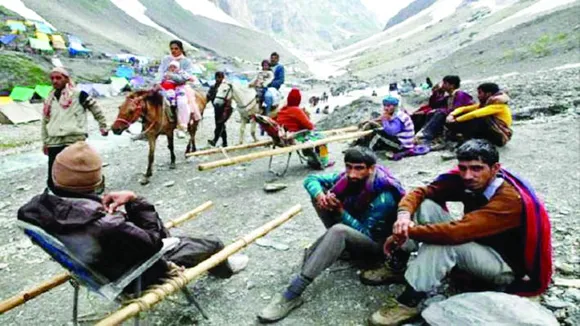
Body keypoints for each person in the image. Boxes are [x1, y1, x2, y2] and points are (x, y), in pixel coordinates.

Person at [362, 139, 552, 326]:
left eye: (477, 168)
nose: (468, 175)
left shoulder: (509, 200)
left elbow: (456, 233)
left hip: (502, 265)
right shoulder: (467, 181)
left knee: (443, 245)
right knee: (425, 205)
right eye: (463, 168)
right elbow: (422, 192)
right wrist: (403, 217)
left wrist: (405, 233)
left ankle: (408, 302)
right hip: (475, 241)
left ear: (495, 169)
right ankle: (397, 266)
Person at [18, 142, 248, 293]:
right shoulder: (107, 224)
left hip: (93, 270)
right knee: (212, 243)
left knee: (175, 237)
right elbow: (155, 243)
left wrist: (97, 206)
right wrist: (135, 201)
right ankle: (224, 267)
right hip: (133, 278)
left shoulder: (31, 210)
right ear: (97, 181)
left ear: (55, 175)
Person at [257, 147, 405, 323]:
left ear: (371, 168)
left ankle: (292, 294)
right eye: (349, 167)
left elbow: (367, 233)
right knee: (322, 197)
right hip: (354, 227)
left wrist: (341, 212)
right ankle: (334, 247)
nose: (352, 173)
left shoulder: (384, 197)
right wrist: (321, 196)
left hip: (376, 246)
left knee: (339, 231)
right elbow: (311, 179)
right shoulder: (346, 180)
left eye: (359, 168)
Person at [41, 67, 108, 195]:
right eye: (52, 78)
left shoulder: (79, 95)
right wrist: (45, 142)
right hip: (54, 140)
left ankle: (90, 190)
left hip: (74, 140)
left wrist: (103, 125)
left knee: (78, 171)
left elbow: (95, 108)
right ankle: (58, 199)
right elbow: (45, 121)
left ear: (66, 79)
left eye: (58, 78)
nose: (55, 81)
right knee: (54, 173)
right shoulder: (49, 99)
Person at [274, 89, 332, 168]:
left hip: (285, 136)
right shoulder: (296, 110)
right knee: (321, 138)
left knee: (312, 135)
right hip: (297, 136)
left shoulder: (283, 110)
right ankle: (324, 162)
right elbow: (310, 126)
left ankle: (311, 157)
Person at [156, 40, 201, 138]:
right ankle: (146, 127)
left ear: (181, 49)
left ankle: (182, 127)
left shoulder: (186, 62)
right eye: (172, 49)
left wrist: (172, 76)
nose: (173, 51)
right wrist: (158, 82)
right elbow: (160, 71)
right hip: (164, 85)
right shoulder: (166, 59)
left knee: (182, 103)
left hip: (180, 86)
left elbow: (185, 77)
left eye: (176, 48)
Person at [446, 83, 513, 146]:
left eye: (480, 93)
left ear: (488, 94)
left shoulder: (499, 106)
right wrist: (452, 115)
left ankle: (465, 142)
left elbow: (475, 114)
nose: (478, 96)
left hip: (501, 137)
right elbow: (464, 109)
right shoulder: (486, 105)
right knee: (464, 115)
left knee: (480, 119)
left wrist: (456, 121)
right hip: (493, 132)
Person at [415, 75, 474, 144]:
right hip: (452, 118)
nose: (442, 85)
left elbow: (457, 109)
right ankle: (424, 133)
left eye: (445, 83)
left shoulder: (460, 95)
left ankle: (426, 135)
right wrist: (436, 93)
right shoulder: (449, 97)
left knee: (440, 113)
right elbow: (434, 105)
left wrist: (441, 111)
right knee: (430, 112)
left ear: (452, 85)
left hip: (463, 120)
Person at [207, 72, 233, 147]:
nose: (219, 79)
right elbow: (209, 97)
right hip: (217, 109)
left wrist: (226, 110)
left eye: (221, 77)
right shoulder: (213, 87)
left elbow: (229, 99)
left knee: (220, 124)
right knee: (221, 125)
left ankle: (215, 140)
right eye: (218, 77)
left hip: (225, 108)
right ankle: (225, 143)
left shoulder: (225, 87)